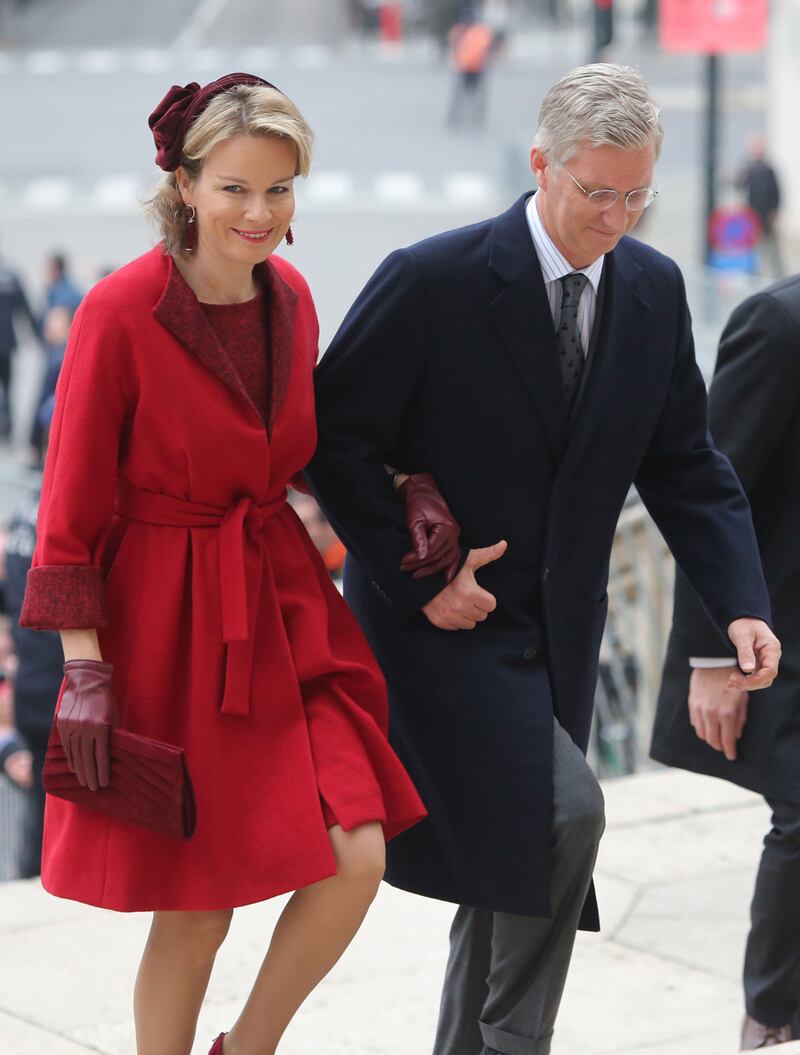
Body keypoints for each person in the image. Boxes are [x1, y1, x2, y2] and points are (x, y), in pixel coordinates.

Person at [306, 63, 781, 1055]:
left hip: (558, 635)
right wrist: (420, 577)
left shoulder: (652, 289)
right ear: (540, 164)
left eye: (637, 195)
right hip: (441, 629)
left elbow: (686, 466)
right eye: (597, 192)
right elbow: (329, 438)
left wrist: (740, 600)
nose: (617, 218)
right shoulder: (430, 279)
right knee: (562, 817)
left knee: (506, 869)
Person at [18, 73, 433, 1055]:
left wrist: (409, 484)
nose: (260, 212)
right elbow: (68, 512)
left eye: (279, 189)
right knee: (200, 905)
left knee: (356, 853)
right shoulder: (119, 310)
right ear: (187, 184)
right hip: (163, 627)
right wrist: (84, 670)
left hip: (278, 602)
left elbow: (303, 446)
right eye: (236, 187)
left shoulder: (293, 296)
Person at [652, 275, 800, 1049]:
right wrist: (709, 654)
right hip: (780, 631)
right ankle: (772, 1019)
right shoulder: (779, 323)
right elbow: (708, 494)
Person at [0, 243, 39, 438]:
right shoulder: (11, 275)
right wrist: (35, 334)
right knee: (8, 385)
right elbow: (25, 307)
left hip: (6, 342)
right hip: (7, 342)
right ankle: (6, 422)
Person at [737, 135, 784, 279]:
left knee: (771, 247)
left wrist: (775, 211)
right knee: (753, 247)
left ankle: (776, 274)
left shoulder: (768, 170)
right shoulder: (749, 169)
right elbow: (740, 186)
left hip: (766, 215)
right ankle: (754, 273)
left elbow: (777, 191)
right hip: (753, 215)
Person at [446, 11, 494, 129]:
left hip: (476, 68)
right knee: (462, 96)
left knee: (474, 96)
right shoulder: (461, 31)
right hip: (465, 68)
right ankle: (458, 117)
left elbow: (486, 49)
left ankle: (475, 117)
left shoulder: (479, 33)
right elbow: (454, 45)